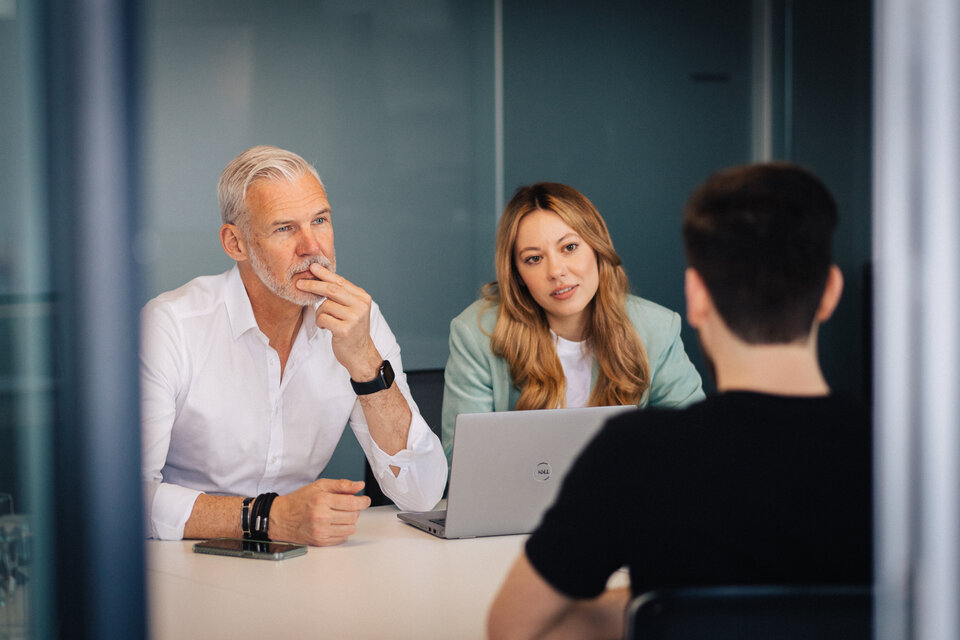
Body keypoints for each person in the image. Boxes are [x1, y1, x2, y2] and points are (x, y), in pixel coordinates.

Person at [487, 163, 872, 639]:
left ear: (696, 297)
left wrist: (655, 602)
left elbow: (513, 628)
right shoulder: (914, 462)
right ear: (831, 292)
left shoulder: (632, 454)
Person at [140, 145, 447, 546]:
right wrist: (267, 517)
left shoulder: (358, 321)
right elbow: (119, 498)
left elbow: (422, 494)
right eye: (284, 229)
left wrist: (367, 365)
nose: (312, 247)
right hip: (182, 561)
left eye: (320, 220)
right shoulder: (170, 326)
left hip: (301, 563)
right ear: (235, 243)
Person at [442, 182, 704, 462]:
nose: (556, 271)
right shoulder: (477, 334)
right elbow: (461, 465)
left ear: (597, 247)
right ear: (517, 274)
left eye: (569, 247)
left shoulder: (656, 329)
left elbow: (699, 443)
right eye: (534, 259)